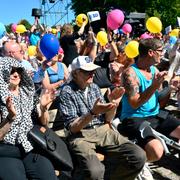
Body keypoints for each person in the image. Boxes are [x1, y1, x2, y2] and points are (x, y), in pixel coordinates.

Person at [59, 55, 146, 180]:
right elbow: (73, 128)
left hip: (102, 129)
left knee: (138, 156)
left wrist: (112, 104)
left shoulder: (93, 87)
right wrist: (93, 113)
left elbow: (108, 120)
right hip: (80, 135)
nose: (92, 74)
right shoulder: (67, 91)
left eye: (93, 71)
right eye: (87, 71)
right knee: (95, 171)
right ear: (75, 73)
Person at [120, 38, 180, 162]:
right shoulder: (130, 73)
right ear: (151, 52)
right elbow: (135, 104)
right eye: (160, 50)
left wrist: (170, 88)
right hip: (134, 118)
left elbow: (160, 101)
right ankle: (136, 164)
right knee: (156, 151)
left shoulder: (153, 70)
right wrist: (153, 86)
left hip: (155, 115)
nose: (163, 53)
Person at [0, 57, 57, 180]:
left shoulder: (28, 93)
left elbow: (44, 123)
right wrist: (10, 117)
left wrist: (43, 108)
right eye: (11, 71)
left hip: (30, 147)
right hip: (6, 151)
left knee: (49, 177)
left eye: (18, 71)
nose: (16, 74)